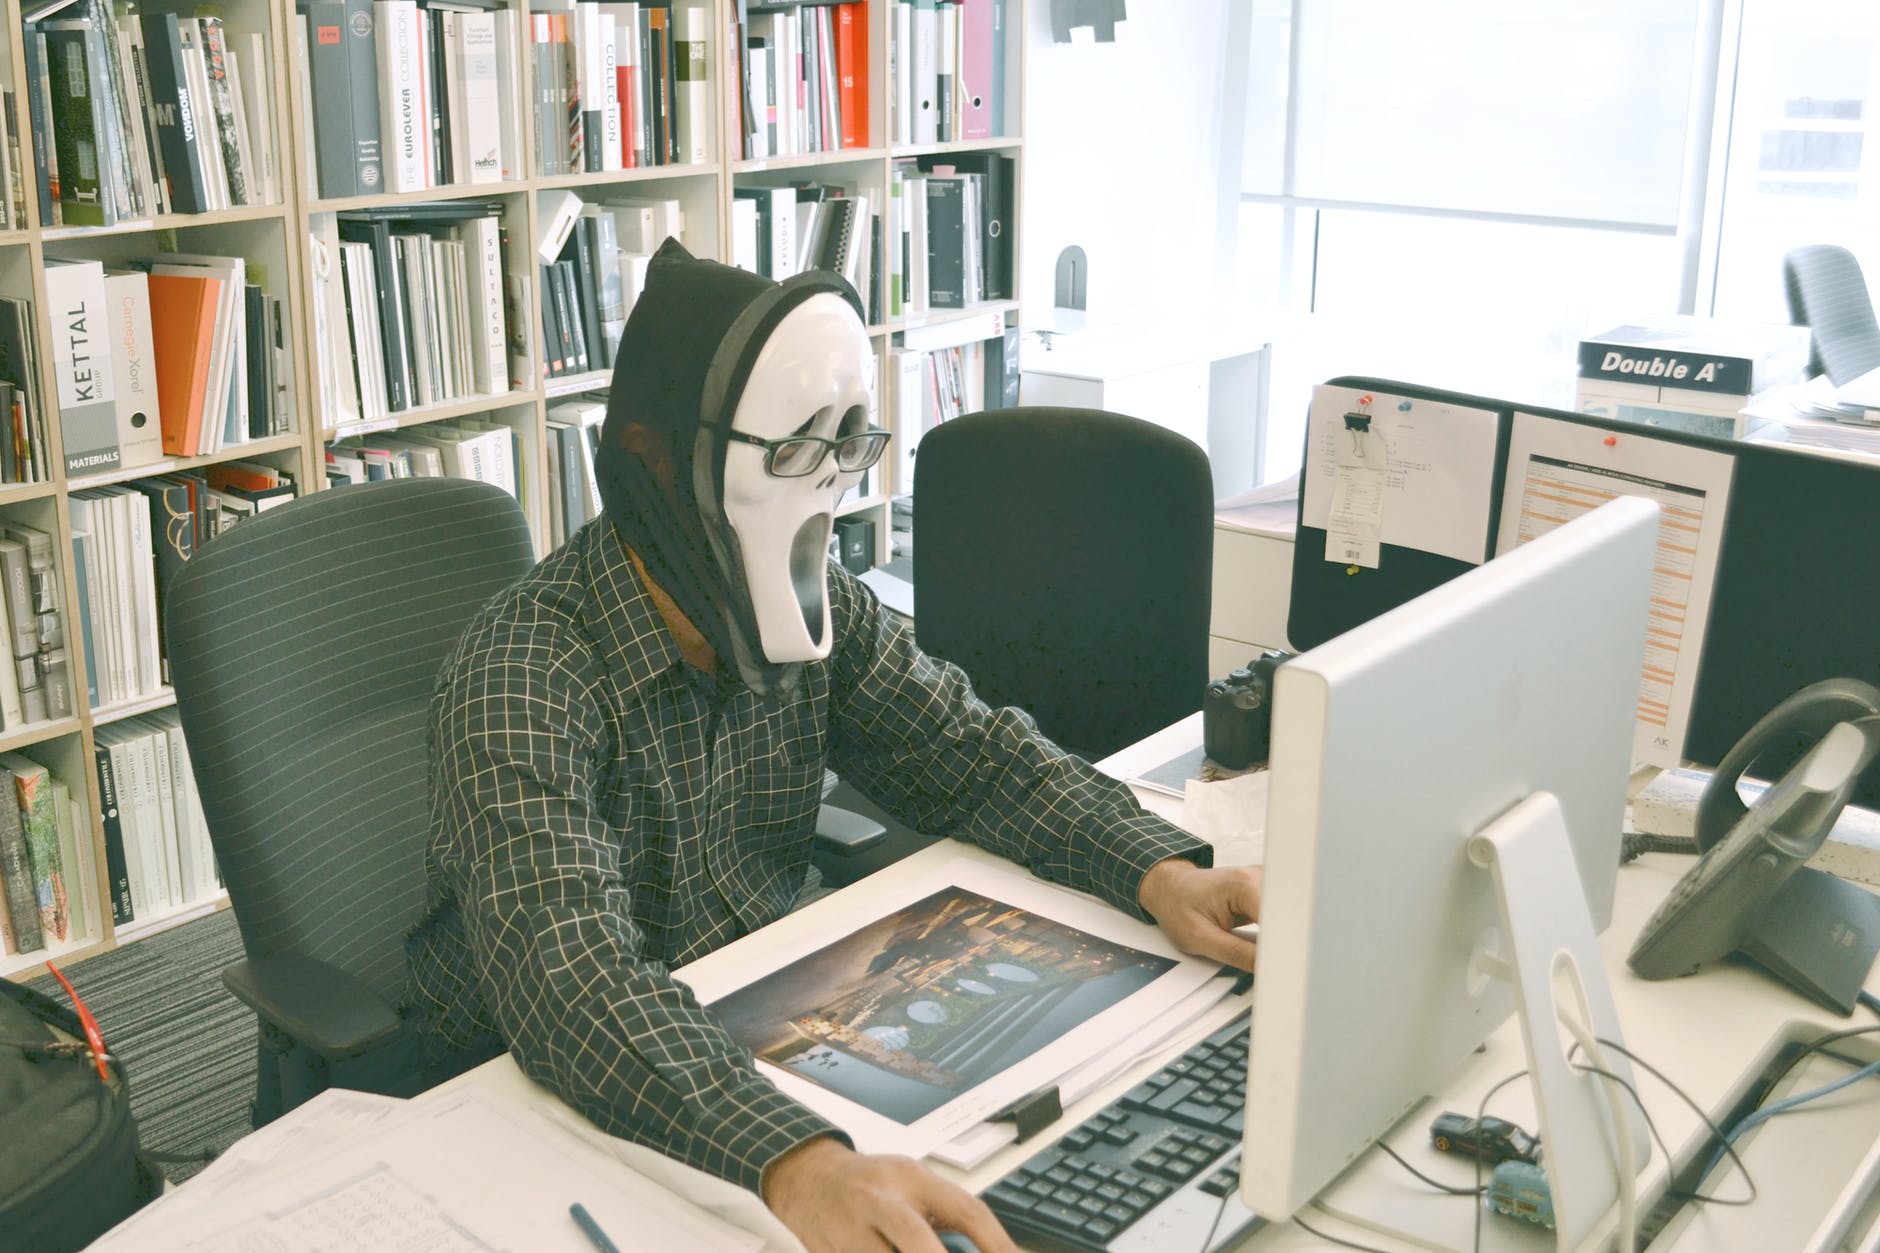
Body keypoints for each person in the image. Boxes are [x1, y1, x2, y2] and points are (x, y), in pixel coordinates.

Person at [405, 241, 1262, 1253]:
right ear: (656, 457)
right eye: (793, 448)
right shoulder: (525, 673)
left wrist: (1155, 869)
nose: (827, 487)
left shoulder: (816, 616)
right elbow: (571, 983)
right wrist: (798, 1160)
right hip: (535, 1099)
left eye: (842, 443)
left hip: (757, 1033)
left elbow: (972, 755)